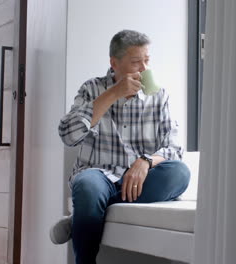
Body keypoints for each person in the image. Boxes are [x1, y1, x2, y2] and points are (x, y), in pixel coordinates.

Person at [50, 29, 190, 264]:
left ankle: (82, 215)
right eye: (136, 62)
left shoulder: (158, 95)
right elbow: (68, 134)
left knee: (180, 173)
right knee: (87, 185)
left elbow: (174, 147)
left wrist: (145, 162)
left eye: (147, 60)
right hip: (99, 174)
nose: (144, 69)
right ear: (114, 63)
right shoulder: (91, 88)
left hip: (142, 177)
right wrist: (114, 93)